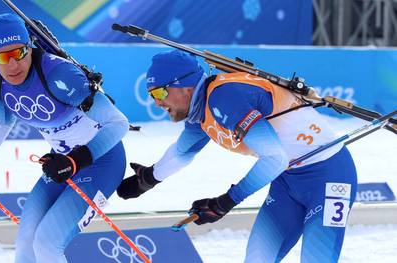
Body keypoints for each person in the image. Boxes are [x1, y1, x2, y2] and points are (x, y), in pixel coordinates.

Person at [117, 50, 357, 262]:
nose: (157, 103)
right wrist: (146, 180)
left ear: (185, 86)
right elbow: (181, 154)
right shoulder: (200, 115)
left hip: (330, 177)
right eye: (151, 95)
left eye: (159, 93)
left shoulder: (225, 97)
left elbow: (275, 158)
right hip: (287, 182)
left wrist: (225, 202)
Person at [0, 13, 129, 263]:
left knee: (48, 244)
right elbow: (1, 122)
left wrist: (74, 161)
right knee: (26, 242)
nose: (12, 65)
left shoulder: (59, 74)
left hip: (103, 163)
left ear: (30, 46)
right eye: (1, 57)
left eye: (18, 53)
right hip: (61, 165)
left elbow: (118, 123)